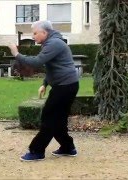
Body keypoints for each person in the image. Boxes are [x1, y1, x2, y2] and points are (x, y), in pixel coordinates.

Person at [8, 20, 79, 162]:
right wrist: (45, 83)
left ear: (44, 32)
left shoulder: (54, 44)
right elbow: (53, 66)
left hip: (65, 86)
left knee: (49, 116)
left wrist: (16, 54)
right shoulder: (52, 42)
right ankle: (67, 147)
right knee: (58, 119)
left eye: (35, 33)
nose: (33, 36)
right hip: (66, 85)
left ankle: (37, 151)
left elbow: (37, 62)